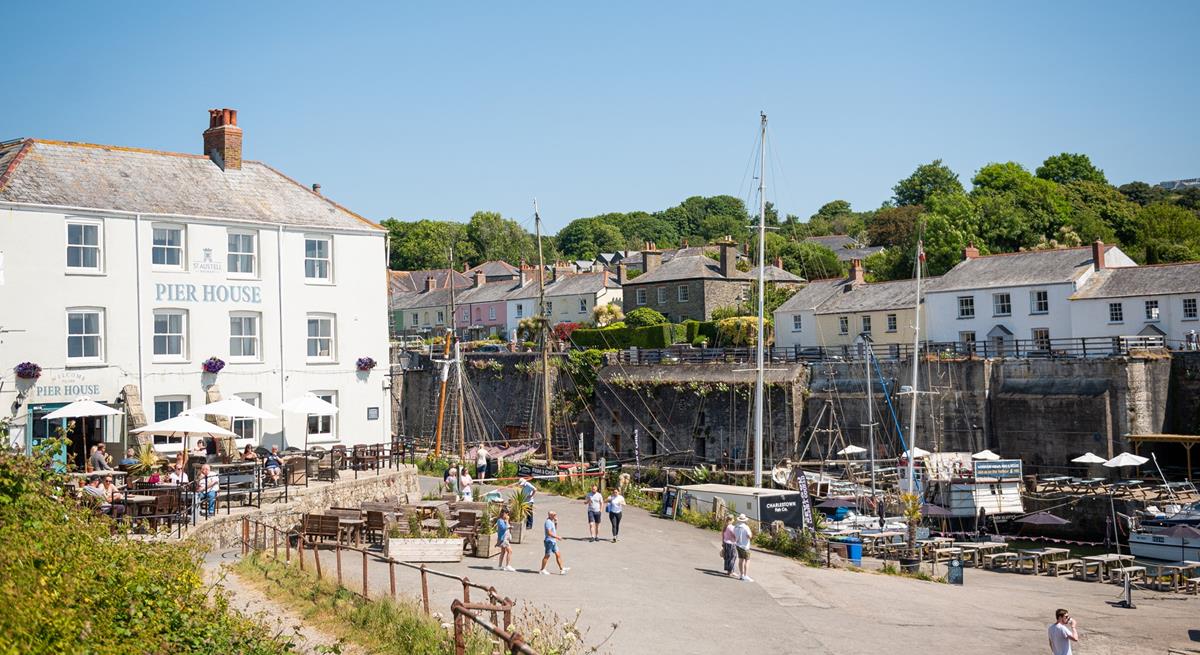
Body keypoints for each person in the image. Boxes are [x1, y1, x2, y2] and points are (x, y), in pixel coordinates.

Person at [539, 510, 569, 575]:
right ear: (550, 515)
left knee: (558, 554)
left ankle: (561, 569)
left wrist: (556, 523)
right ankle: (542, 570)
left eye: (555, 515)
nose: (555, 516)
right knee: (547, 555)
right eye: (554, 515)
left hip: (553, 541)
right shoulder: (548, 522)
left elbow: (554, 530)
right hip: (549, 541)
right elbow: (549, 533)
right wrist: (557, 537)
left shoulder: (551, 522)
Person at [733, 514, 754, 582]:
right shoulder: (746, 527)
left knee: (741, 560)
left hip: (738, 544)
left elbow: (734, 534)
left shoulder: (736, 526)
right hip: (745, 546)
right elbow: (749, 536)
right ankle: (745, 575)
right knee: (747, 560)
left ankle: (741, 575)